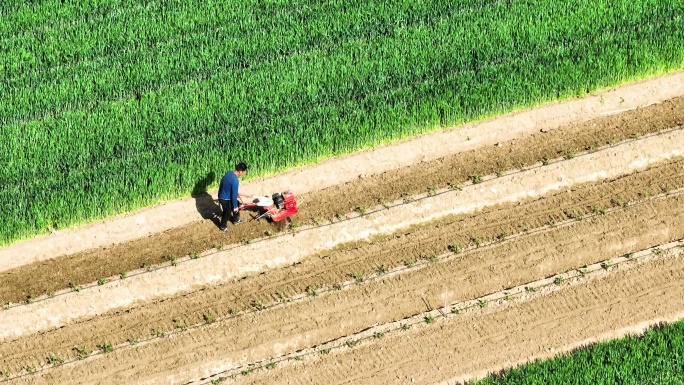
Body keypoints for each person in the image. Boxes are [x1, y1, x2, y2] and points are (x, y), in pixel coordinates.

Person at [218, 162, 248, 231]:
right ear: (240, 171)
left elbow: (227, 185)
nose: (244, 173)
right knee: (227, 213)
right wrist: (234, 207)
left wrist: (236, 205)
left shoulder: (229, 173)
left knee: (237, 204)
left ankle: (236, 220)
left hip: (223, 194)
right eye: (244, 172)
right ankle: (223, 226)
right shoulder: (235, 181)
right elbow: (233, 196)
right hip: (224, 198)